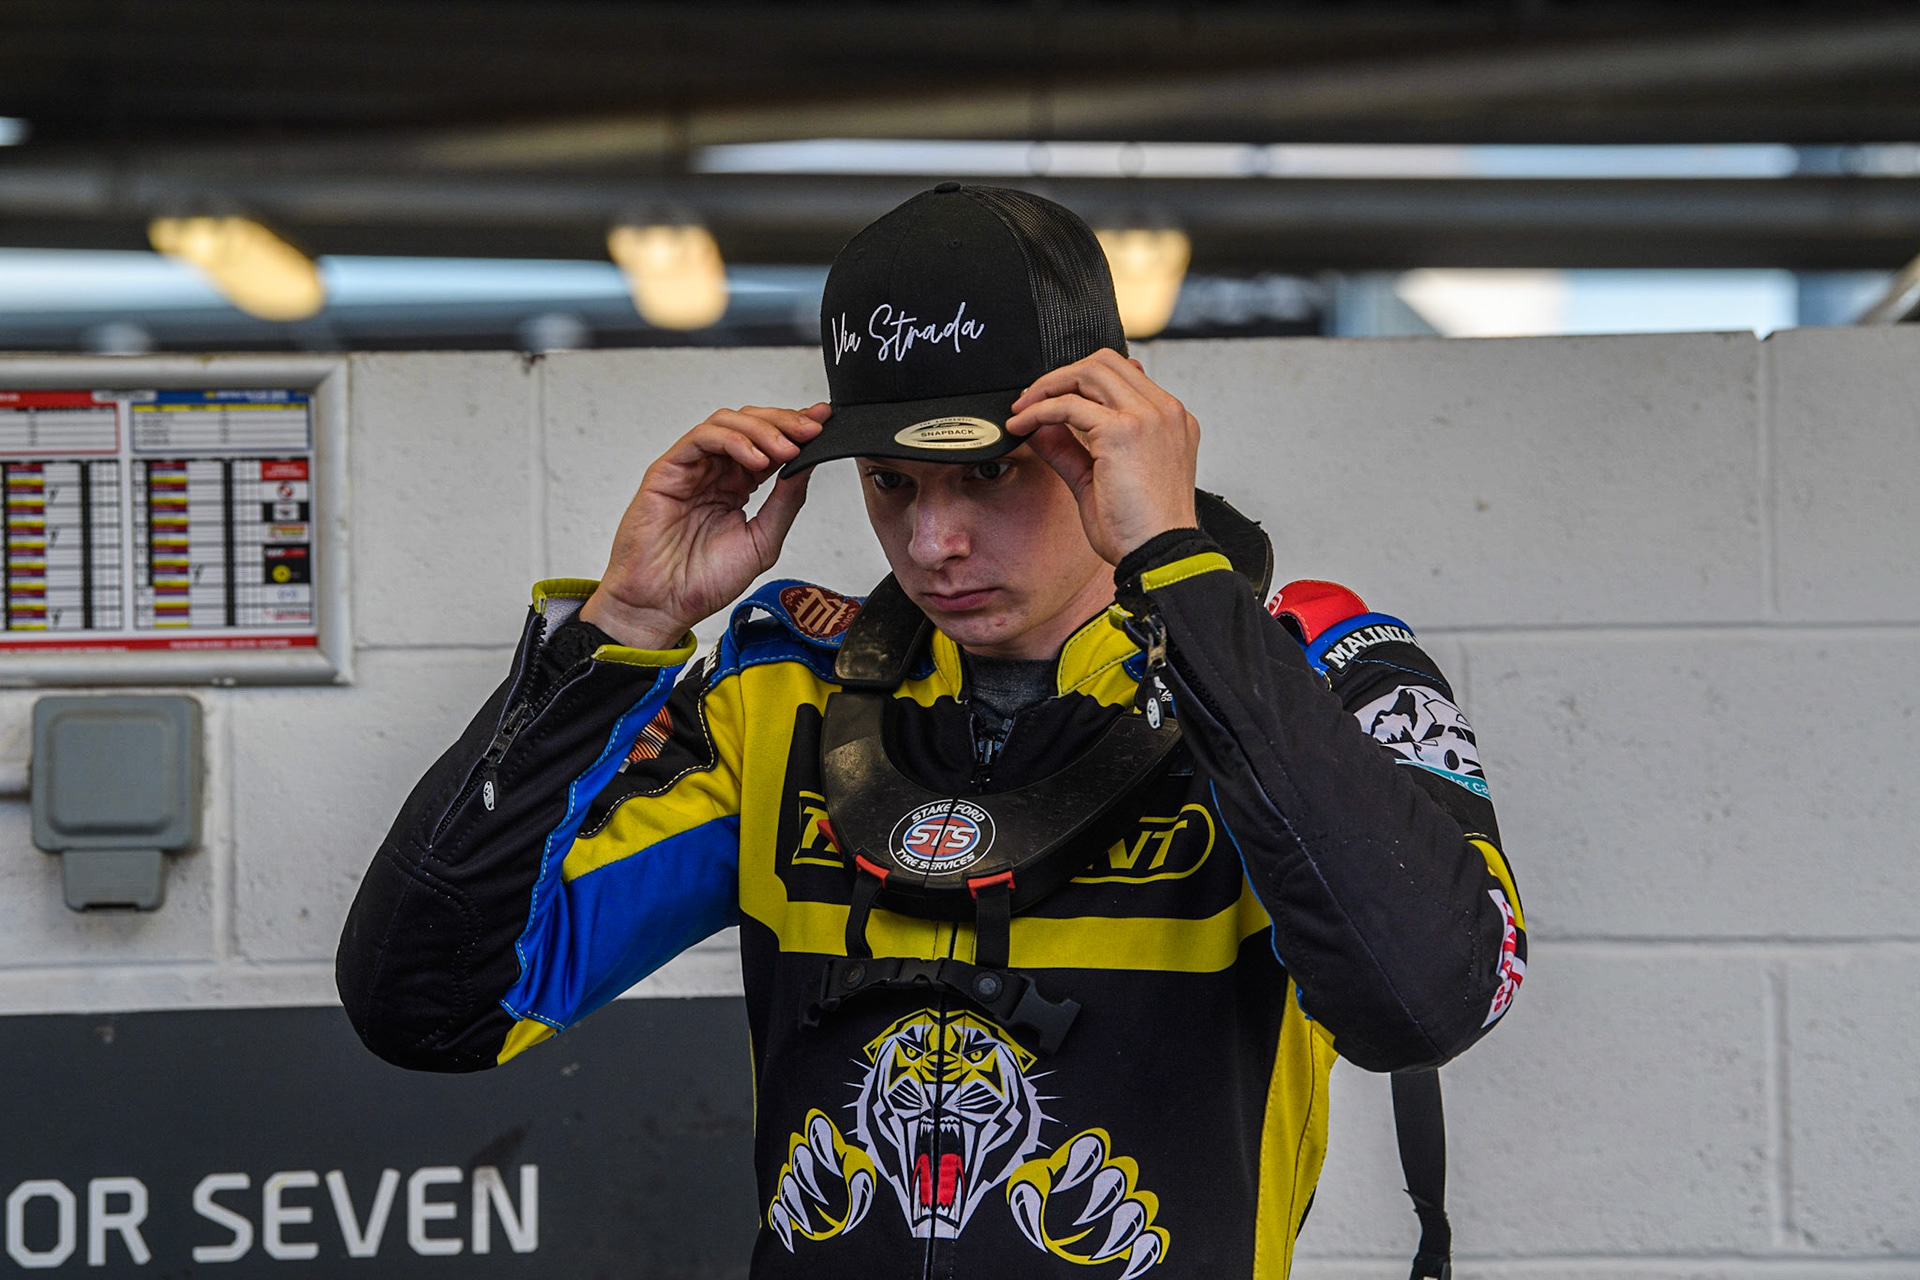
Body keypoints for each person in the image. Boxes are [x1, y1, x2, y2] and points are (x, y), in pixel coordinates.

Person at [337, 184, 1525, 1279]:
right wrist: (621, 630)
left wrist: (1177, 567)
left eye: (991, 473)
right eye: (893, 484)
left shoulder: (1314, 667)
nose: (932, 542)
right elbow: (433, 1007)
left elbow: (1428, 1000)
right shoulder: (781, 697)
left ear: (1106, 434)